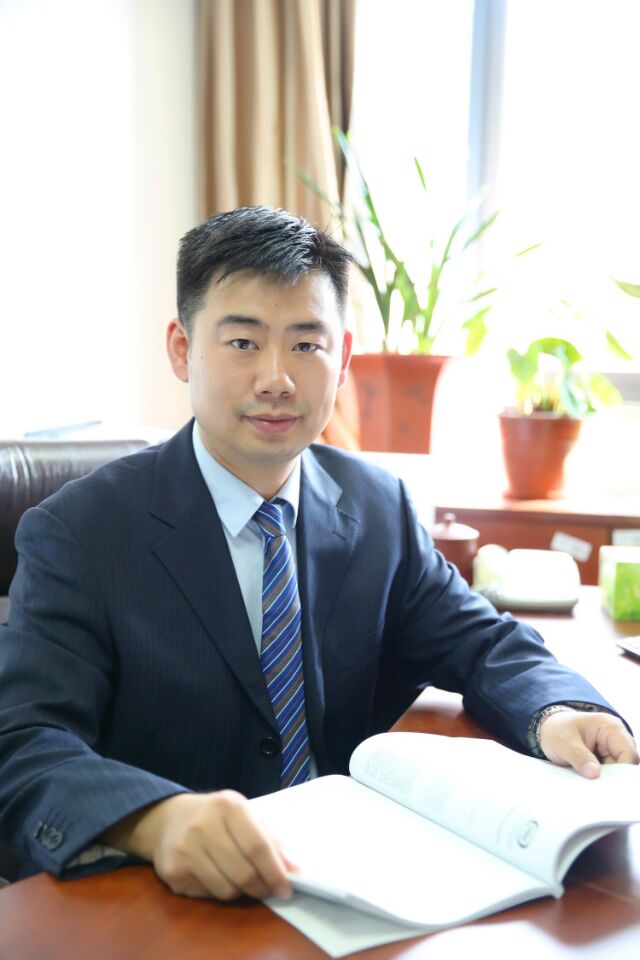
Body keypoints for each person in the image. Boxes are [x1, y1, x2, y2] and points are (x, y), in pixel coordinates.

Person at [0, 206, 637, 903]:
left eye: (306, 344)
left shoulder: (377, 506)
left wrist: (557, 709)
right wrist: (152, 820)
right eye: (243, 342)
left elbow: (483, 642)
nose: (276, 379)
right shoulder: (80, 533)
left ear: (344, 357)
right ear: (182, 349)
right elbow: (25, 743)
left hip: (350, 886)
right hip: (169, 903)